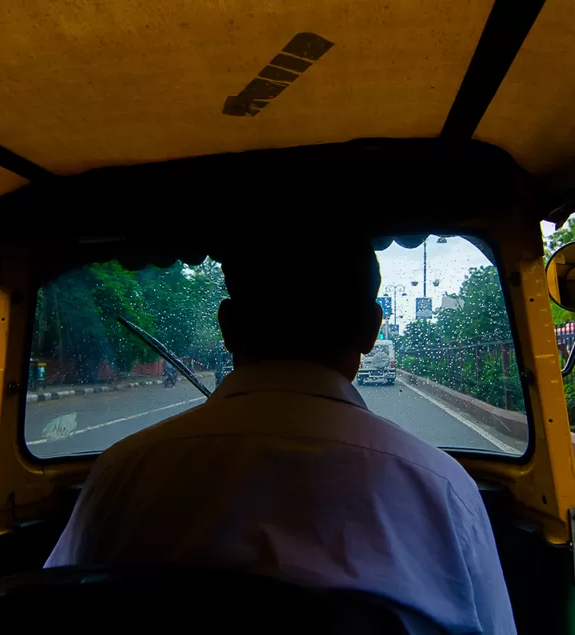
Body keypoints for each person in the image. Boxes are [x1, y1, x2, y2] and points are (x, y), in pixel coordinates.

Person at [45, 237, 516, 633]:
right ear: (371, 330)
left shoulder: (122, 470)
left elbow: (53, 605)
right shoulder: (443, 489)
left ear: (228, 328)